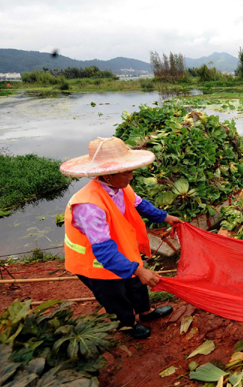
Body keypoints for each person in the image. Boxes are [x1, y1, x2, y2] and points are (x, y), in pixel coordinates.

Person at [60, 137, 184, 339]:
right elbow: (103, 251)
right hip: (95, 263)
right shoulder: (88, 206)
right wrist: (138, 269)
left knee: (136, 284)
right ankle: (128, 325)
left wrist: (166, 217)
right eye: (127, 172)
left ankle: (146, 313)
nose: (131, 176)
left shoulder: (121, 187)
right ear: (109, 174)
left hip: (120, 251)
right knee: (115, 294)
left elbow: (140, 204)